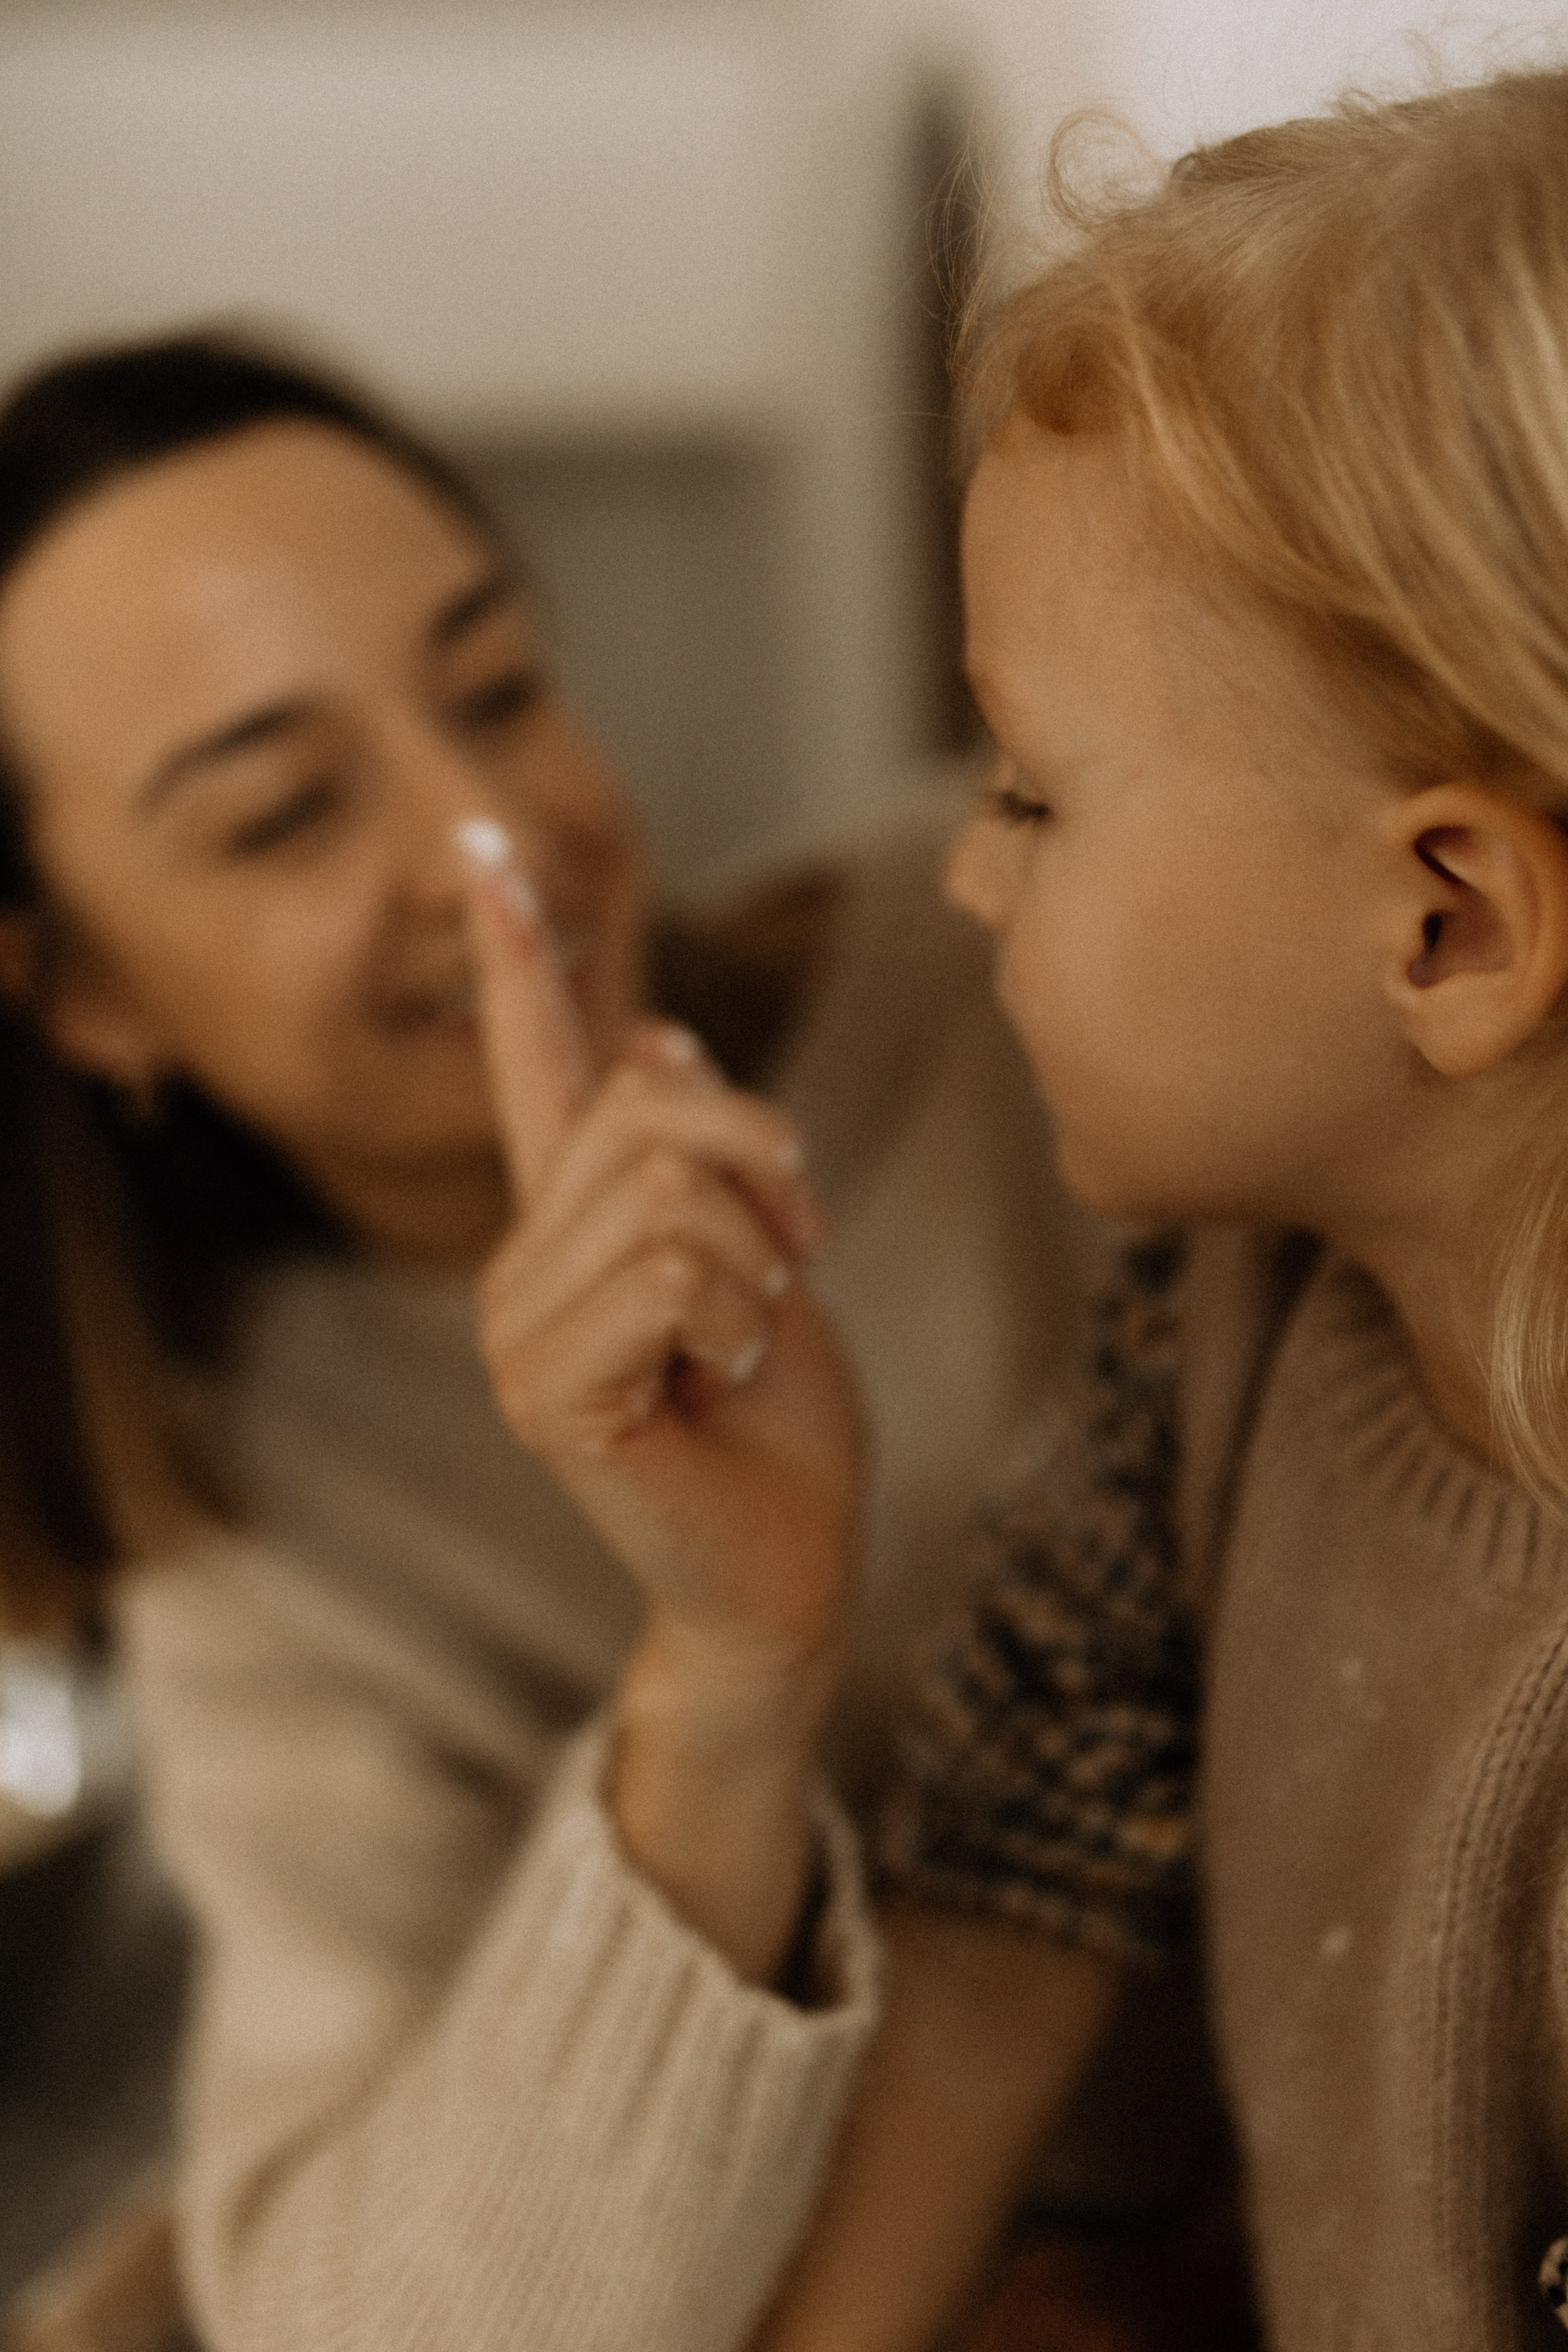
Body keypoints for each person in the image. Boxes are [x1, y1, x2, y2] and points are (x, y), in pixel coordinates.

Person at [0, 335, 1088, 2351]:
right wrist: (726, 1682)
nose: (488, 838)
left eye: (498, 687)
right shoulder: (257, 1547)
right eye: (283, 814)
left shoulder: (1040, 950)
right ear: (80, 993)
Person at [739, 63, 1568, 2352]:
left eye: (1027, 790)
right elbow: (1010, 1905)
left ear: (1448, 927)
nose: (963, 874)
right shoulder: (1211, 1323)